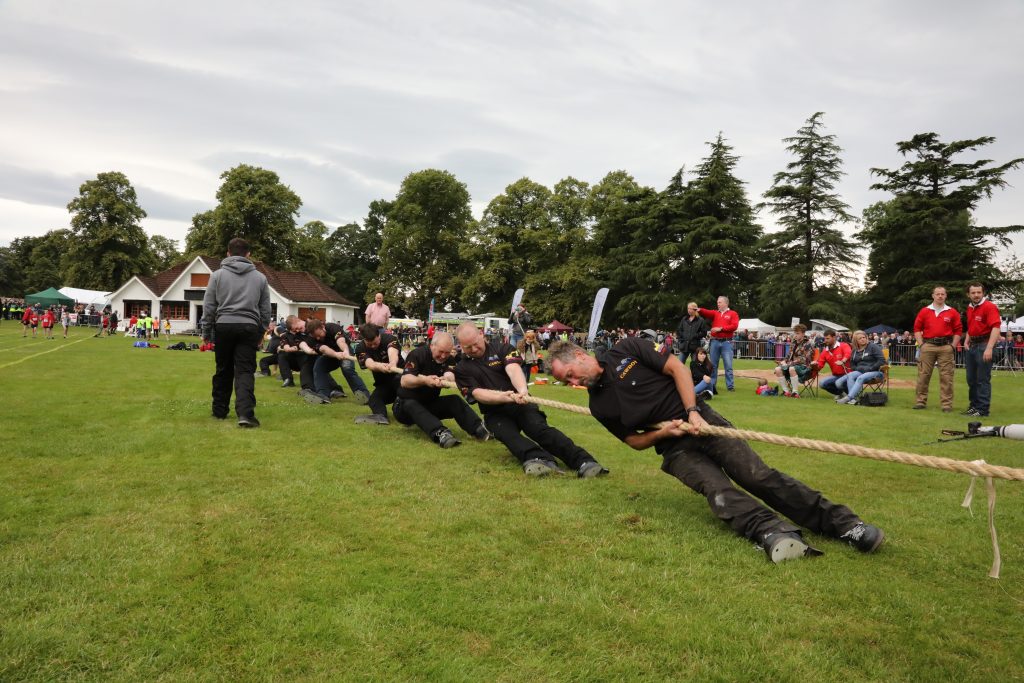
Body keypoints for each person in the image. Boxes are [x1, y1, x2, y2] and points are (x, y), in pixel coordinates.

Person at [546, 338, 884, 563]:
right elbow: (632, 440)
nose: (573, 384)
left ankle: (845, 525)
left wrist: (692, 410)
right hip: (674, 449)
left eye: (571, 376)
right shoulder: (598, 404)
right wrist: (661, 432)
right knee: (717, 491)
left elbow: (676, 368)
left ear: (579, 356)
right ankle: (772, 532)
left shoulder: (626, 349)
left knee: (757, 475)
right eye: (567, 383)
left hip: (703, 421)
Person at [454, 322, 608, 478]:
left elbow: (513, 370)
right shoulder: (461, 369)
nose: (473, 349)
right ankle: (537, 458)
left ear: (481, 334)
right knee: (508, 435)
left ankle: (584, 462)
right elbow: (478, 394)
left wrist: (522, 391)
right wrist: (503, 397)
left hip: (521, 402)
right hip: (494, 412)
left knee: (538, 429)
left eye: (475, 344)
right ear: (460, 345)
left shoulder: (504, 349)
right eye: (468, 347)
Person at [201, 237, 272, 428]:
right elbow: (266, 310)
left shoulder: (217, 276)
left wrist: (206, 330)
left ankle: (219, 410)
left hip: (224, 325)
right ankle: (246, 414)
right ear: (248, 255)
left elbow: (209, 306)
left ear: (228, 253)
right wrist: (261, 332)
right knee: (245, 371)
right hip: (249, 327)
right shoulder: (260, 278)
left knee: (223, 370)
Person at [395, 331, 490, 448]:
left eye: (447, 352)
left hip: (429, 404)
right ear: (431, 346)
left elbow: (450, 372)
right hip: (404, 409)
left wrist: (448, 377)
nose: (444, 356)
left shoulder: (448, 358)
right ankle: (441, 433)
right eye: (441, 352)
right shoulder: (417, 354)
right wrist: (425, 381)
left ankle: (479, 429)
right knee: (410, 403)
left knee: (454, 400)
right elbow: (405, 381)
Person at [912, 286, 962, 412]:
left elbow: (958, 331)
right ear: (933, 295)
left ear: (946, 296)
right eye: (937, 294)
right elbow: (917, 329)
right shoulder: (924, 311)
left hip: (946, 346)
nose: (940, 296)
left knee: (947, 377)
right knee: (923, 375)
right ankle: (920, 402)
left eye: (942, 294)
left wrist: (953, 346)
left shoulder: (952, 312)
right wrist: (921, 344)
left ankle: (946, 405)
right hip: (928, 345)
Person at [305, 318, 371, 404]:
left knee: (347, 368)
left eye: (319, 335)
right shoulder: (310, 339)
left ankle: (364, 395)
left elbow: (341, 341)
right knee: (318, 367)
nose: (318, 338)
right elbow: (324, 349)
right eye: (315, 337)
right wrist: (336, 354)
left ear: (322, 327)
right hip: (330, 354)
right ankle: (323, 395)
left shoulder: (333, 327)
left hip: (345, 350)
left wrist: (345, 352)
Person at [962, 282, 1001, 417]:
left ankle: (983, 409)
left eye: (979, 292)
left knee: (982, 379)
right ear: (969, 294)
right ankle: (974, 406)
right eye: (973, 293)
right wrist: (967, 338)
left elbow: (996, 327)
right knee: (971, 379)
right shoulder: (970, 308)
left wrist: (989, 348)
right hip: (973, 345)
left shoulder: (989, 307)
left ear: (983, 293)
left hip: (984, 345)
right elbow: (971, 326)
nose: (976, 295)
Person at [352, 323, 403, 424]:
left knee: (400, 405)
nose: (373, 346)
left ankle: (402, 406)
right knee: (374, 400)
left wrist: (392, 363)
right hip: (384, 384)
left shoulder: (389, 339)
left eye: (375, 342)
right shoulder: (360, 348)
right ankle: (381, 417)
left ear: (379, 335)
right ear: (364, 340)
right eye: (369, 344)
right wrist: (380, 367)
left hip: (401, 381)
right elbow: (369, 364)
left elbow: (392, 352)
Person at [277, 315, 328, 404]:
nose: (297, 330)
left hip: (317, 354)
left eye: (297, 328)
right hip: (302, 357)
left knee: (315, 367)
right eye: (295, 330)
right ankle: (303, 386)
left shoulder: (312, 326)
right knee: (283, 356)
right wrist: (292, 348)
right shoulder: (291, 335)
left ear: (298, 321)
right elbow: (296, 345)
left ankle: (332, 390)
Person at [698, 296, 739, 392]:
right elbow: (707, 312)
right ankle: (712, 386)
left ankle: (730, 387)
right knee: (713, 365)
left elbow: (734, 326)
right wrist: (699, 309)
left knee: (728, 366)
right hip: (715, 341)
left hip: (726, 342)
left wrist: (720, 329)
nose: (718, 304)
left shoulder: (733, 313)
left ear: (726, 303)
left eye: (720, 302)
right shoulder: (716, 313)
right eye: (717, 302)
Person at [835, 331, 886, 405]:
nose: (862, 339)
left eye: (864, 337)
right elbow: (852, 362)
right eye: (860, 338)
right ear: (856, 341)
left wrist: (871, 368)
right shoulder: (855, 350)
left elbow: (882, 360)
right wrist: (855, 369)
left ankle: (849, 398)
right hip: (860, 371)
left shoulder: (873, 347)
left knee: (861, 378)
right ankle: (851, 396)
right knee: (839, 382)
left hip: (876, 372)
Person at [774, 323, 814, 397]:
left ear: (803, 333)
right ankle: (786, 391)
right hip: (791, 365)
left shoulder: (808, 344)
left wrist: (790, 363)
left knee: (792, 368)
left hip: (804, 367)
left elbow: (805, 359)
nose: (795, 335)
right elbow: (789, 355)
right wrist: (783, 361)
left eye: (798, 333)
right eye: (795, 333)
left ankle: (795, 393)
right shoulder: (793, 343)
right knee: (777, 369)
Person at [815, 330, 852, 398]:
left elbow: (848, 353)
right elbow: (820, 365)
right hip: (836, 376)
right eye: (825, 338)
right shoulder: (824, 351)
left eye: (828, 338)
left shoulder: (843, 345)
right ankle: (841, 394)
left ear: (834, 337)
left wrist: (843, 361)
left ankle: (851, 394)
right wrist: (814, 366)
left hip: (848, 374)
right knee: (822, 384)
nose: (825, 340)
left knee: (839, 383)